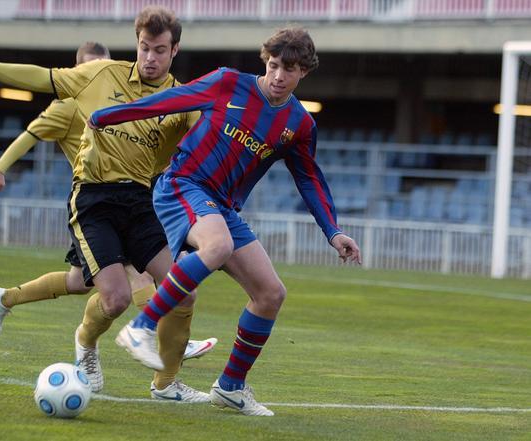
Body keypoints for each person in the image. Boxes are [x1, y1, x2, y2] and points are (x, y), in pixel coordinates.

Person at [0, 6, 213, 402]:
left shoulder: (182, 98)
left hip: (140, 199)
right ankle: (86, 342)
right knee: (114, 297)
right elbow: (41, 77)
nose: (150, 58)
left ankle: (167, 385)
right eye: (144, 48)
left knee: (180, 290)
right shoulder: (101, 74)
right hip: (94, 198)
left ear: (175, 51)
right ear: (137, 44)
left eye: (160, 50)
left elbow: (212, 136)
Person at [88, 27, 362, 416]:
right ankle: (142, 328)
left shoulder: (300, 124)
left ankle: (231, 386)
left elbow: (308, 178)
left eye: (290, 69)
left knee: (270, 294)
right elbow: (168, 101)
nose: (279, 76)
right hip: (182, 184)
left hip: (222, 206)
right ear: (265, 62)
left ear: (304, 73)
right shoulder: (227, 83)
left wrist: (333, 231)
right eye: (274, 65)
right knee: (218, 245)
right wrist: (107, 116)